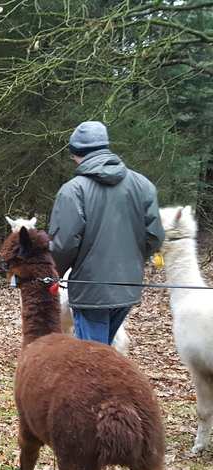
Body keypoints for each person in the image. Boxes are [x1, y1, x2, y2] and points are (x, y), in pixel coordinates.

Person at [48, 121, 164, 346]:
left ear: (76, 154)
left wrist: (54, 273)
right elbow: (155, 236)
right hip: (127, 288)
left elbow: (63, 246)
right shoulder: (144, 186)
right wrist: (131, 262)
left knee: (92, 364)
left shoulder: (73, 190)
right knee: (105, 353)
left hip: (91, 292)